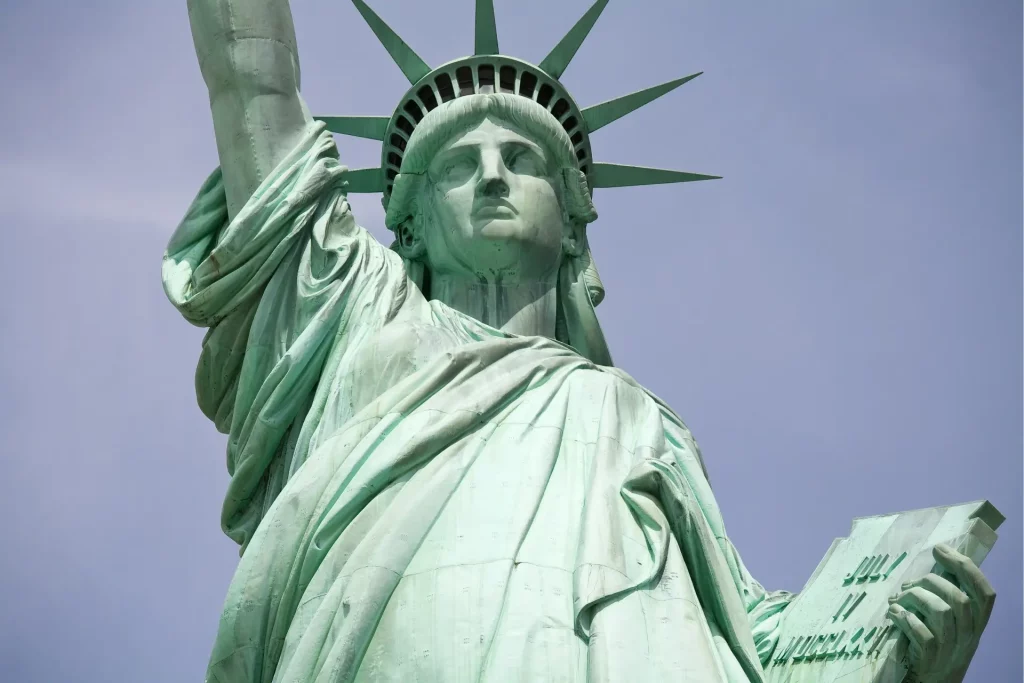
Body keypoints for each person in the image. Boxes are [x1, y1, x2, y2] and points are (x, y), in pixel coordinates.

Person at [163, 1, 995, 681]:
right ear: (407, 229)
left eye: (520, 158)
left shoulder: (636, 418)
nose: (492, 174)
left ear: (571, 228)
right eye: (459, 164)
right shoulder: (347, 319)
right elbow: (250, 80)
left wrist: (911, 652)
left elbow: (750, 640)